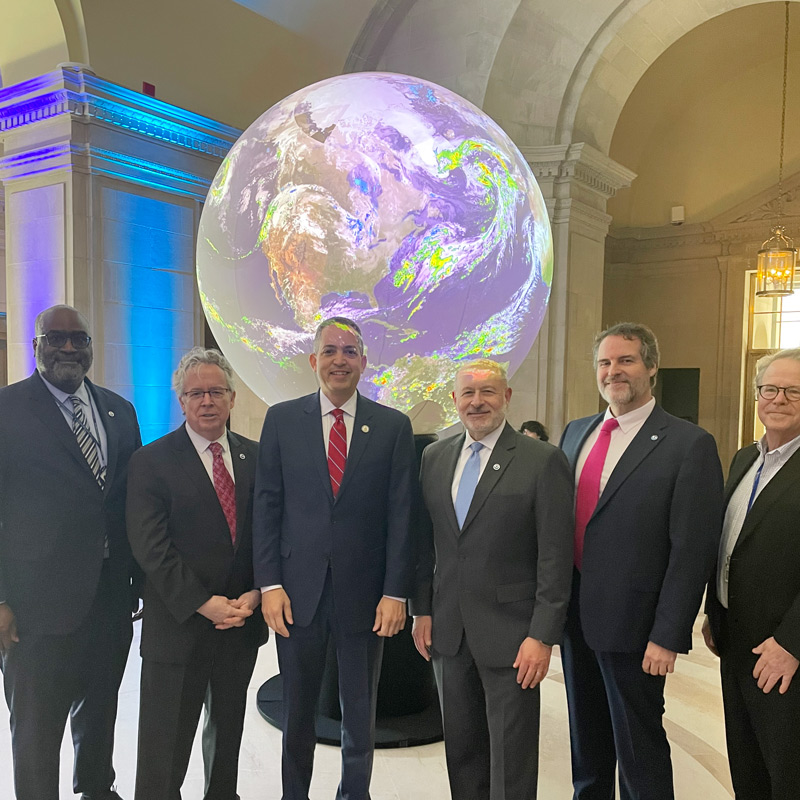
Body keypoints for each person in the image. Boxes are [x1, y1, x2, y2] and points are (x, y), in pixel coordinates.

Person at [253, 316, 417, 800]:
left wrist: (395, 592)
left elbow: (402, 516)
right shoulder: (282, 420)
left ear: (364, 362)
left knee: (359, 710)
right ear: (313, 361)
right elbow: (267, 506)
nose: (339, 360)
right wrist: (269, 584)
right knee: (297, 708)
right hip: (295, 594)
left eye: (349, 351)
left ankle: (354, 794)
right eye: (330, 351)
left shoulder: (392, 427)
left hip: (366, 598)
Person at [559, 322, 723, 800]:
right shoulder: (576, 433)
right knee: (585, 742)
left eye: (626, 360)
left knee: (639, 750)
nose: (614, 371)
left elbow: (692, 551)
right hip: (574, 619)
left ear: (651, 367)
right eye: (605, 363)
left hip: (636, 628)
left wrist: (668, 634)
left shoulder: (687, 444)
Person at [411, 359, 573, 800]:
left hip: (513, 635)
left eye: (487, 392)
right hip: (449, 631)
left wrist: (541, 635)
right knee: (462, 751)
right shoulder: (434, 457)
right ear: (454, 401)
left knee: (511, 757)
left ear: (507, 397)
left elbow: (554, 558)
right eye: (468, 393)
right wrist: (421, 609)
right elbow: (425, 545)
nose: (477, 402)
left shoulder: (543, 461)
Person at [0, 304, 141, 800]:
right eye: (54, 338)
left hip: (109, 599)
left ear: (90, 347)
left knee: (101, 707)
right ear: (34, 346)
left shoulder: (118, 411)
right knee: (37, 728)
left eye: (77, 339)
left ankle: (97, 789)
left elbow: (129, 502)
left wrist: (138, 583)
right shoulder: (6, 409)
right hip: (35, 607)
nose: (67, 347)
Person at [126, 347, 267, 800]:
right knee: (164, 748)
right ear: (181, 401)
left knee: (227, 741)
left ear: (231, 398)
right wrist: (203, 604)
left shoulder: (256, 457)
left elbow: (269, 533)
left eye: (216, 392)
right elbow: (151, 548)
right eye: (196, 393)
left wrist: (258, 592)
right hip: (180, 625)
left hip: (240, 625)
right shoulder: (151, 461)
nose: (207, 401)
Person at [703, 348, 800, 800]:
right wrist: (713, 611)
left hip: (784, 654)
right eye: (770, 389)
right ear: (757, 395)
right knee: (748, 769)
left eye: (793, 390)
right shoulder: (746, 459)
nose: (779, 399)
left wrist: (792, 645)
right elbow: (729, 546)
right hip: (736, 643)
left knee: (787, 774)